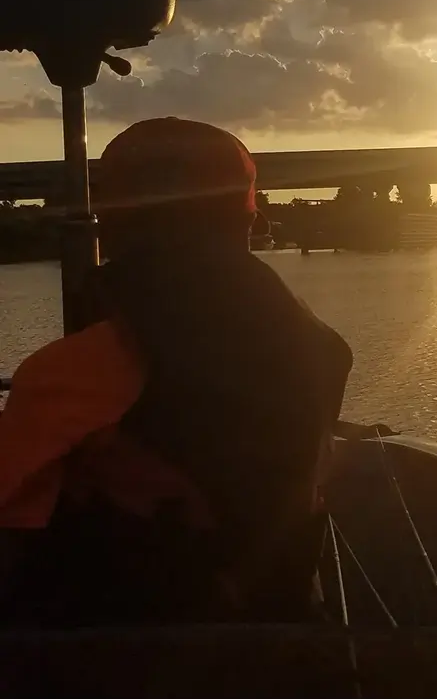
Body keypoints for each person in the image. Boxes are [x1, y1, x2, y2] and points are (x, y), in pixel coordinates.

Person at [0, 117, 353, 627]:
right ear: (244, 223)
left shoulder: (72, 372)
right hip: (282, 636)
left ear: (114, 222)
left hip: (118, 659)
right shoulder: (321, 349)